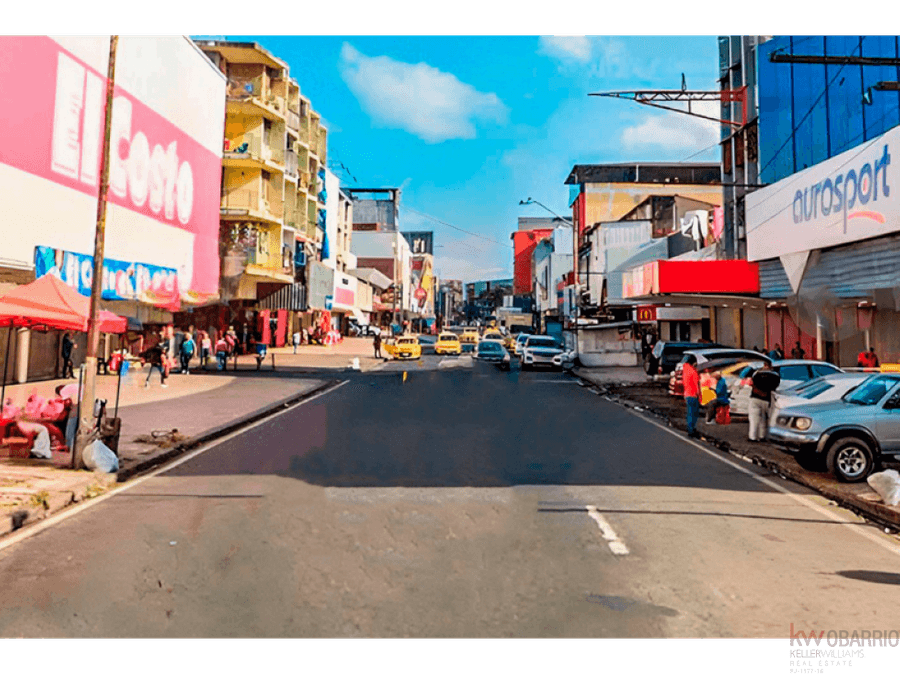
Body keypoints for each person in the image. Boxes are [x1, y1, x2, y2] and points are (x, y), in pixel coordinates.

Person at [748, 363, 781, 442]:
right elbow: (775, 386)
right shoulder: (775, 376)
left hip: (755, 398)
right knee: (763, 418)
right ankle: (762, 436)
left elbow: (752, 383)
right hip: (767, 399)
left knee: (754, 419)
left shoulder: (757, 374)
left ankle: (752, 437)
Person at [682, 354, 701, 439]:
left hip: (687, 394)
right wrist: (699, 395)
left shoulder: (685, 370)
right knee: (693, 413)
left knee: (690, 413)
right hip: (693, 394)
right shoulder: (693, 371)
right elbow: (697, 384)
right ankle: (691, 430)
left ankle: (690, 429)